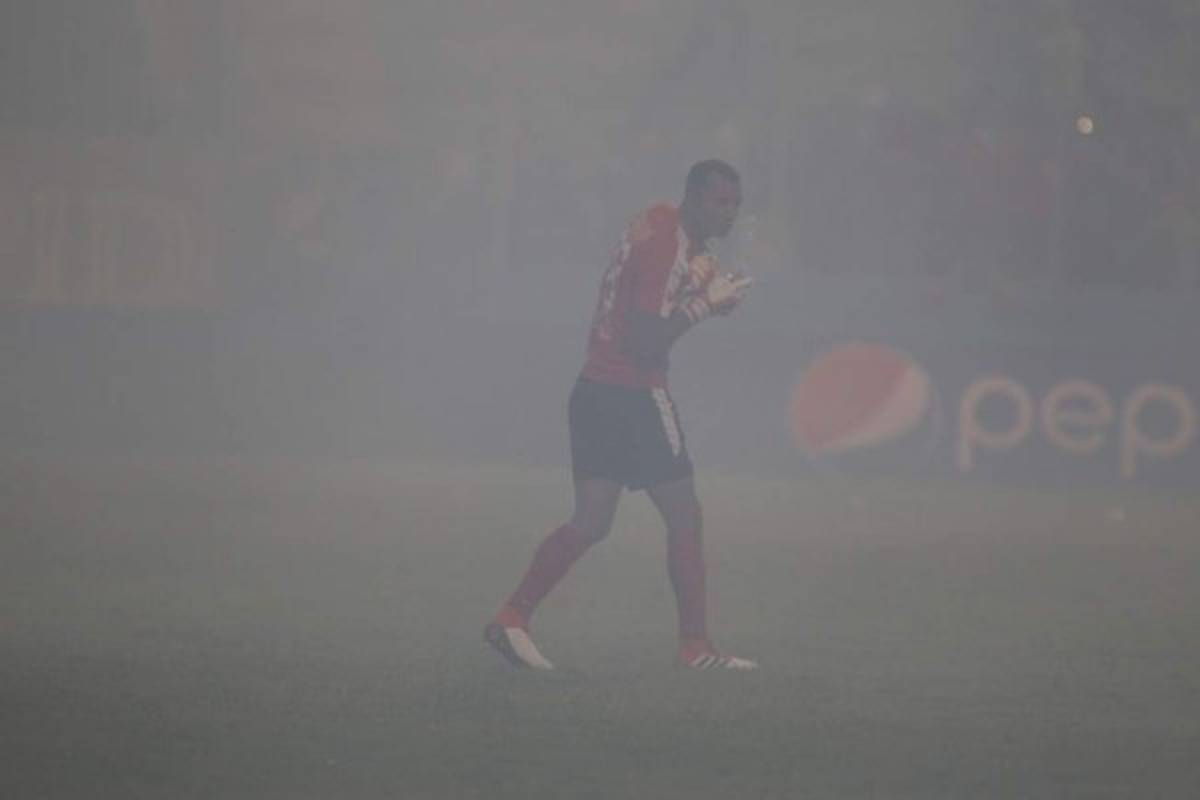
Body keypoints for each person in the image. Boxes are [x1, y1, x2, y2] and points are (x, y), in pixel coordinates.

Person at [484, 159, 758, 671]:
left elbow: (648, 285)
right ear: (694, 198)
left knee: (590, 521)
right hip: (633, 393)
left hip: (594, 390)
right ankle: (695, 648)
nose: (730, 213)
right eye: (721, 202)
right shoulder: (666, 247)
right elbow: (644, 341)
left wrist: (699, 289)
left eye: (736, 203)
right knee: (684, 514)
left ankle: (511, 617)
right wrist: (703, 305)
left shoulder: (657, 220)